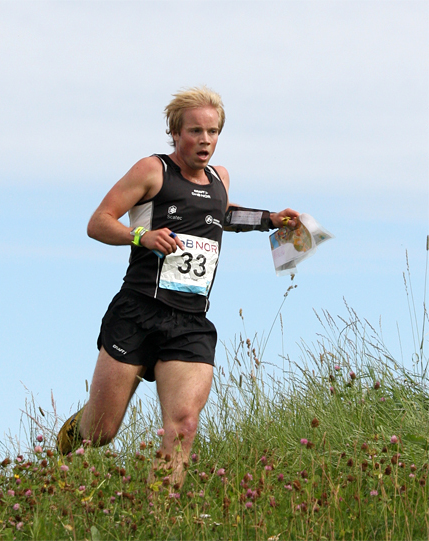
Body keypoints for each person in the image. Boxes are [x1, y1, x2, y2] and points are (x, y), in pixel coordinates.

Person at [57, 86, 299, 488]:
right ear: (175, 132)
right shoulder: (152, 170)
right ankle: (75, 431)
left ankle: (160, 519)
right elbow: (98, 222)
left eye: (213, 132)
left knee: (184, 424)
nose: (205, 141)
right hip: (137, 312)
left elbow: (219, 214)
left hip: (189, 322)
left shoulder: (219, 178)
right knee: (101, 431)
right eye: (195, 132)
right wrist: (141, 237)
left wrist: (270, 218)